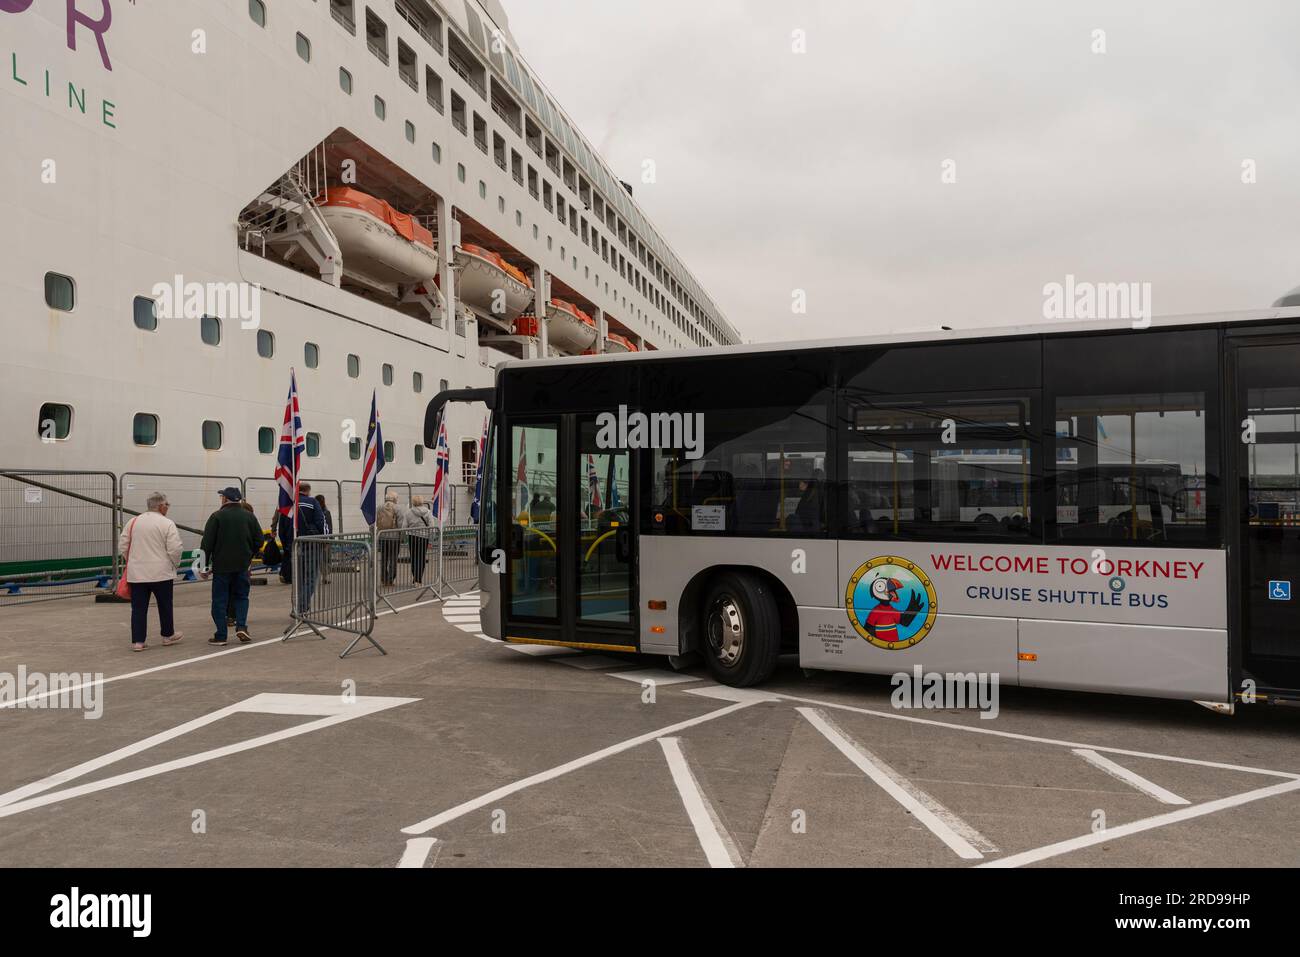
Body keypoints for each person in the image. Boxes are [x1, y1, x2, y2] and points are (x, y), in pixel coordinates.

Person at [118, 492, 184, 652]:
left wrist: (133, 560)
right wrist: (174, 564)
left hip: (137, 573)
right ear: (161, 506)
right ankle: (167, 636)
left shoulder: (133, 522)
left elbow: (123, 545)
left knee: (139, 608)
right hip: (162, 572)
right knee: (165, 605)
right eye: (167, 505)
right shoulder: (167, 523)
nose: (167, 508)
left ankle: (138, 641)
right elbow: (175, 548)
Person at [200, 487, 264, 646]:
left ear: (225, 499)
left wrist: (203, 566)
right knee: (242, 596)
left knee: (219, 600)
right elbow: (259, 540)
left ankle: (221, 635)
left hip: (222, 566)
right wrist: (249, 554)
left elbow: (206, 544)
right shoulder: (249, 516)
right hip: (242, 565)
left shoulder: (216, 517)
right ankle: (241, 626)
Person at [403, 494, 433, 584]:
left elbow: (404, 526)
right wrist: (430, 535)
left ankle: (415, 577)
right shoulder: (428, 512)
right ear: (422, 502)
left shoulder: (408, 512)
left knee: (413, 557)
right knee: (421, 557)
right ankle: (418, 579)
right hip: (424, 537)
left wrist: (406, 534)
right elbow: (431, 526)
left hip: (412, 537)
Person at [376, 490, 404, 586]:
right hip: (394, 537)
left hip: (382, 536)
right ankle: (390, 579)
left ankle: (383, 579)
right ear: (395, 499)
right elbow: (400, 524)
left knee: (384, 558)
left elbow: (376, 522)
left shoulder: (379, 507)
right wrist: (402, 536)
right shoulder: (398, 508)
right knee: (393, 559)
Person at [315, 494, 333, 584]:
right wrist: (329, 539)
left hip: (316, 538)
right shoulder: (326, 512)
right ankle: (324, 577)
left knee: (320, 559)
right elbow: (329, 527)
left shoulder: (314, 512)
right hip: (325, 539)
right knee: (325, 559)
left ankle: (323, 576)